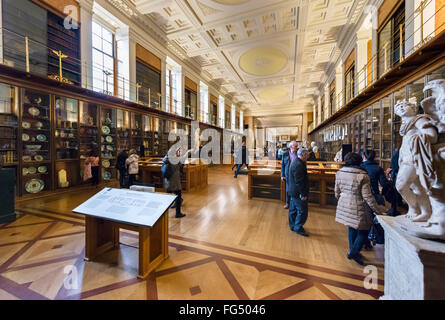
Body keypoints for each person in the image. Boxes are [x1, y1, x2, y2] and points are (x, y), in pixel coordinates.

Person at [335, 152, 384, 266]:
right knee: (363, 230)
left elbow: (336, 192)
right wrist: (377, 209)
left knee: (352, 228)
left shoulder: (340, 173)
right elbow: (367, 196)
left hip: (345, 204)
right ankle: (353, 252)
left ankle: (355, 252)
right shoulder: (362, 175)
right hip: (358, 206)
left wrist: (343, 200)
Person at [163, 148, 192, 218]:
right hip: (175, 181)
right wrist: (188, 152)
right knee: (178, 196)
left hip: (168, 181)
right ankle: (178, 213)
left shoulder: (166, 159)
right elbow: (183, 158)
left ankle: (164, 214)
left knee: (170, 196)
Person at [287, 148, 310, 237]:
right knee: (302, 210)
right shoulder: (298, 165)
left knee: (293, 209)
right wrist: (303, 194)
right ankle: (298, 227)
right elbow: (299, 182)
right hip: (297, 192)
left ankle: (293, 225)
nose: (308, 156)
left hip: (293, 191)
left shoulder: (298, 162)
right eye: (307, 154)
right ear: (303, 155)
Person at [281, 141, 298, 209]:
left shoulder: (298, 153)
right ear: (291, 147)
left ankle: (295, 203)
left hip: (296, 174)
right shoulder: (285, 154)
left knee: (296, 189)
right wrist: (282, 175)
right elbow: (283, 165)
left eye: (297, 146)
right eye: (295, 146)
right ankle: (287, 203)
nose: (296, 148)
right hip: (288, 174)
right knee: (288, 189)